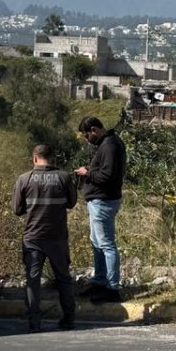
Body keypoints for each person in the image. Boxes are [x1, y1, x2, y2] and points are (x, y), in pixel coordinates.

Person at [12, 143, 78, 332]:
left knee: (33, 280)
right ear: (52, 158)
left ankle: (34, 322)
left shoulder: (24, 179)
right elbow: (72, 203)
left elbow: (17, 210)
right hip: (57, 237)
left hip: (33, 237)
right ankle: (69, 319)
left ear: (34, 158)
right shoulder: (63, 177)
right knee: (64, 278)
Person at [75, 116, 127, 304]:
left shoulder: (110, 146)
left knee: (106, 245)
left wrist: (87, 173)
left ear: (94, 130)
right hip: (100, 201)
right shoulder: (108, 144)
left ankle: (113, 288)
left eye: (87, 135)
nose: (87, 139)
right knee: (97, 243)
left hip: (103, 201)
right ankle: (100, 281)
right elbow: (106, 171)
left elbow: (108, 175)